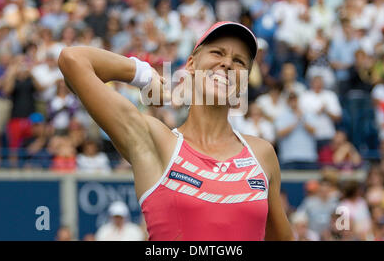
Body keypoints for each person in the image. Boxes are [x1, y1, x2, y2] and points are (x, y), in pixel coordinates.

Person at [59, 21, 294, 240]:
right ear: (191, 64)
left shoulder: (261, 154)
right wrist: (143, 74)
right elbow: (73, 60)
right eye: (217, 53)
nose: (228, 64)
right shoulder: (156, 141)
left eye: (240, 61)